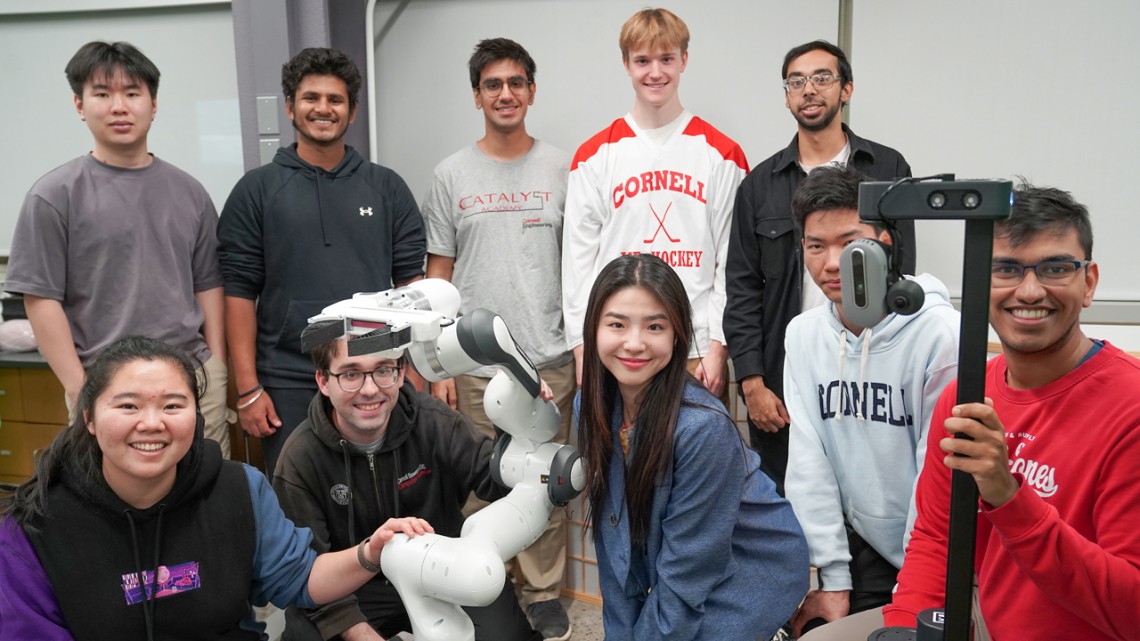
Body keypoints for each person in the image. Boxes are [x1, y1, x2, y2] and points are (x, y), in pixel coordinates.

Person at [0, 336, 432, 641]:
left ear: (196, 416)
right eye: (128, 405)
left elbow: (300, 578)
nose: (151, 423)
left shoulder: (238, 489)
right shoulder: (34, 527)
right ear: (90, 419)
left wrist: (370, 552)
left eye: (173, 405)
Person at [882, 184, 1140, 640]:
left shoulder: (1130, 406)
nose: (1030, 291)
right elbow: (937, 541)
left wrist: (1007, 496)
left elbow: (1132, 610)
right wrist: (906, 629)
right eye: (1006, 269)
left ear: (1089, 283)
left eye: (1056, 268)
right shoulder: (966, 396)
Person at [5, 41, 229, 457]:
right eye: (103, 94)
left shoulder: (190, 192)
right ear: (79, 104)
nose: (119, 107)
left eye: (132, 93)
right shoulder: (53, 195)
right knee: (106, 491)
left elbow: (208, 284)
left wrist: (215, 366)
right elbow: (41, 298)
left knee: (207, 485)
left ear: (153, 104)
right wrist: (79, 386)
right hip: (104, 383)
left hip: (190, 377)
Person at [420, 37, 573, 641]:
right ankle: (488, 590)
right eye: (492, 84)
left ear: (531, 92)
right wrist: (436, 366)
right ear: (477, 96)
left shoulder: (563, 168)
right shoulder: (450, 174)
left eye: (515, 83)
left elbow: (577, 268)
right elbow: (438, 275)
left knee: (545, 481)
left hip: (546, 357)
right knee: (480, 484)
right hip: (472, 364)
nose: (504, 94)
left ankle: (544, 594)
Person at [576, 253, 809, 640]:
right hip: (693, 562)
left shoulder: (702, 428)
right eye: (617, 324)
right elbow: (612, 542)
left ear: (677, 335)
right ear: (593, 329)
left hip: (752, 566)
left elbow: (689, 568)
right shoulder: (590, 406)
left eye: (654, 326)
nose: (634, 343)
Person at [218, 47, 426, 477]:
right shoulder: (256, 191)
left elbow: (413, 288)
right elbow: (238, 293)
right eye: (311, 98)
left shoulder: (386, 188)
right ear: (290, 107)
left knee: (378, 489)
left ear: (352, 111)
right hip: (287, 378)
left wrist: (415, 374)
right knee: (296, 495)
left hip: (373, 372)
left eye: (335, 99)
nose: (323, 108)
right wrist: (248, 389)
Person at [724, 40, 914, 496]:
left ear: (846, 89)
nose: (809, 89)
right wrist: (751, 382)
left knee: (867, 499)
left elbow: (901, 269)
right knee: (785, 505)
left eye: (822, 78)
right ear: (787, 96)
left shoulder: (887, 167)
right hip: (785, 378)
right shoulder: (759, 185)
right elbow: (742, 288)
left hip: (871, 369)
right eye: (796, 82)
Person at [780, 167, 959, 636]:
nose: (831, 263)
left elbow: (938, 477)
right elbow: (809, 461)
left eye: (849, 243)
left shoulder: (940, 334)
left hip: (940, 553)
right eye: (816, 246)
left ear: (884, 242)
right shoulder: (803, 334)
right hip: (864, 547)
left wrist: (915, 587)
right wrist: (833, 577)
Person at [271, 336, 541, 641]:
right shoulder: (300, 458)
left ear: (400, 373)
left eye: (383, 370)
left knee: (509, 635)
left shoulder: (435, 422)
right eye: (351, 374)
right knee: (306, 632)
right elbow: (306, 572)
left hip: (443, 568)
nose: (369, 389)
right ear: (323, 381)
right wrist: (363, 636)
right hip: (355, 586)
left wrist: (519, 421)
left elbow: (498, 481)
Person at [562, 8, 747, 406]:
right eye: (643, 61)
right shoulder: (594, 156)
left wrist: (718, 346)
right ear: (626, 64)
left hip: (694, 349)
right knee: (617, 447)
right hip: (617, 348)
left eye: (666, 59)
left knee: (698, 445)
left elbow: (731, 263)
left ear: (684, 60)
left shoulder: (722, 154)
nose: (656, 72)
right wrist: (581, 347)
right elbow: (578, 265)